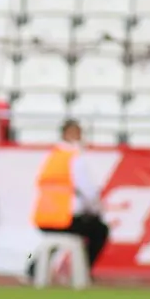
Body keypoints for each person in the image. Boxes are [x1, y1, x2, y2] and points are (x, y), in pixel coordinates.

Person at [27, 119, 109, 280]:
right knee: (99, 230)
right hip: (64, 218)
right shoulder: (75, 158)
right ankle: (81, 272)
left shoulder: (52, 157)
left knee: (57, 240)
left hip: (43, 218)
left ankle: (34, 270)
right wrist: (97, 211)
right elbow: (89, 192)